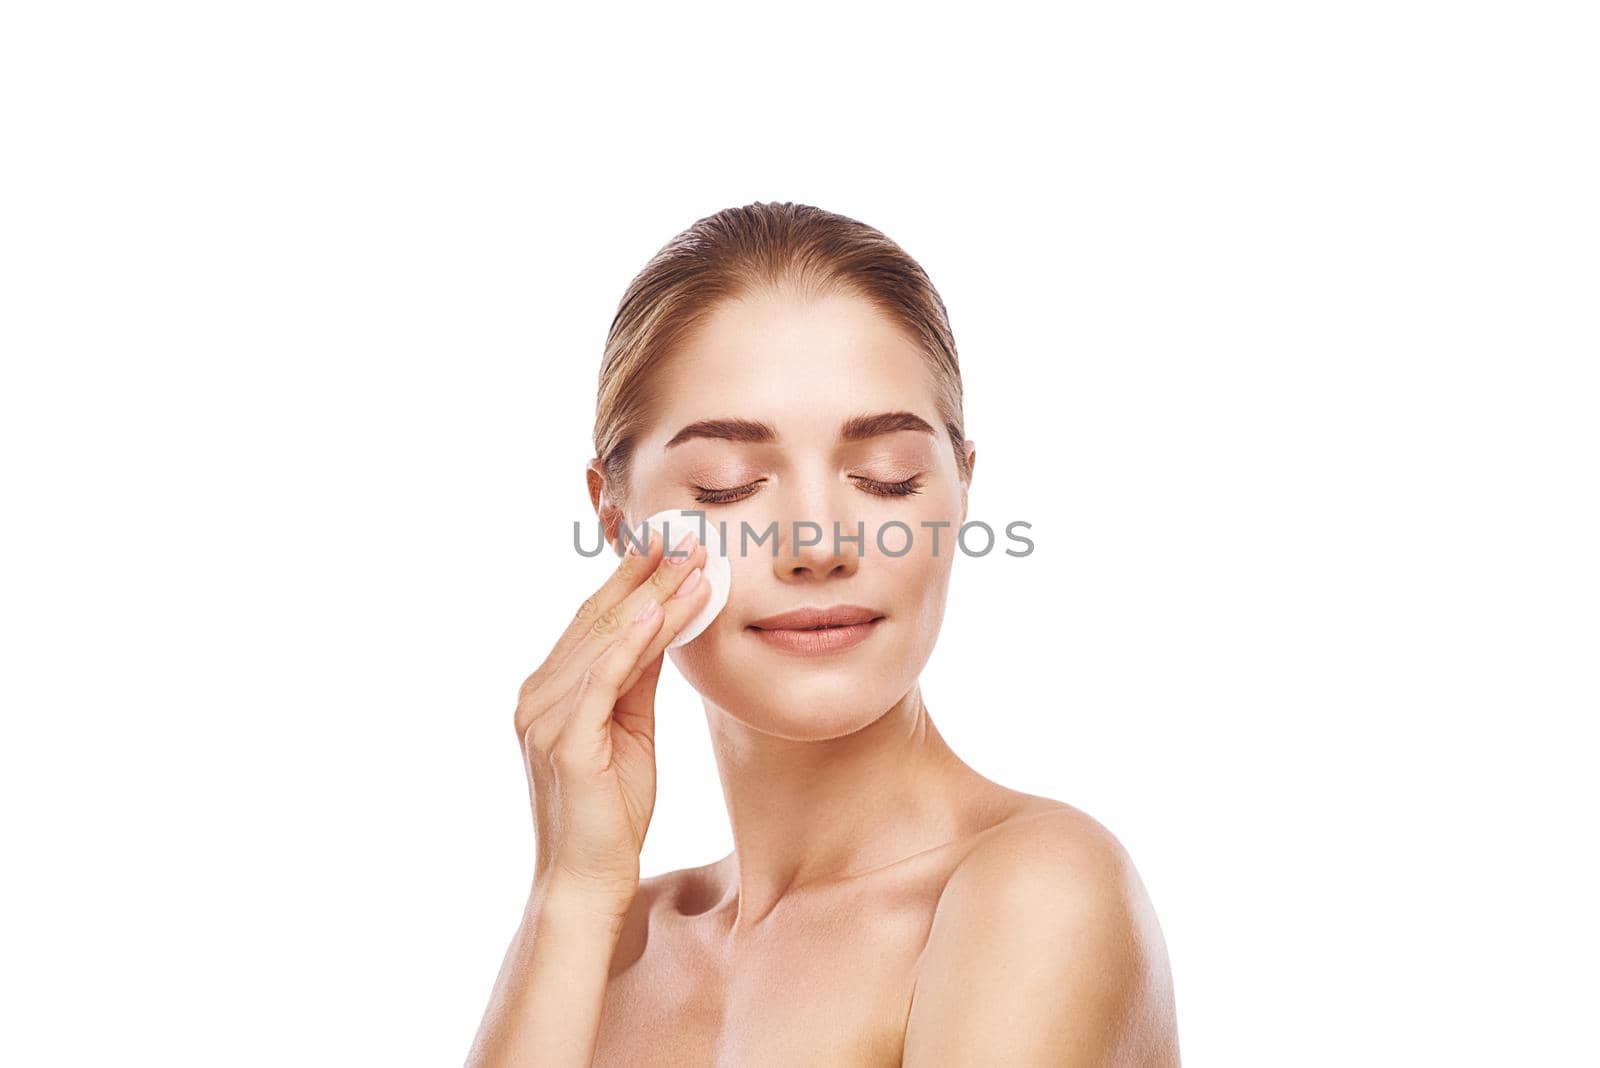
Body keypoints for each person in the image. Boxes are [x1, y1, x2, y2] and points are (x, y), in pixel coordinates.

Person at [466, 202, 1180, 1066]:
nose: (819, 545)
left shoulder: (1035, 890)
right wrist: (569, 893)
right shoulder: (602, 951)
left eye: (888, 478)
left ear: (960, 490)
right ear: (615, 519)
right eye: (727, 485)